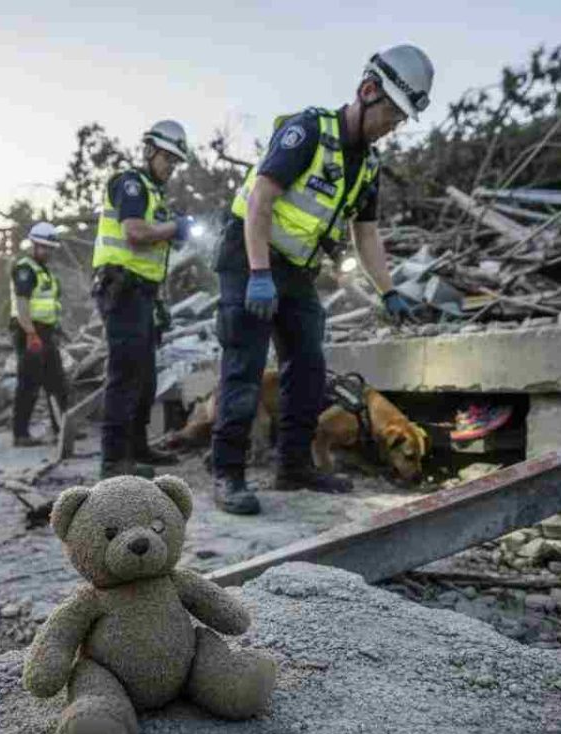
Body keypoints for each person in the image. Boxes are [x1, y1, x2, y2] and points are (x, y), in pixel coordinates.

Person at [210, 44, 435, 515]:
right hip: (247, 253)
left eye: (401, 119)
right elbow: (260, 201)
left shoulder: (368, 166)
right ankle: (227, 473)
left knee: (308, 365)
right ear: (368, 91)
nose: (393, 125)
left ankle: (293, 467)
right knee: (245, 365)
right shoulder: (308, 131)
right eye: (392, 113)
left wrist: (388, 291)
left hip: (295, 269)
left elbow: (366, 234)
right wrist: (257, 274)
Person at [91, 120, 196, 479]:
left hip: (143, 294)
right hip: (121, 289)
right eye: (168, 158)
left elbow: (153, 255)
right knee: (125, 374)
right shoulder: (131, 184)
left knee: (146, 377)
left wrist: (159, 301)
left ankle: (136, 448)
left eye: (176, 161)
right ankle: (113, 461)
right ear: (149, 150)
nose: (172, 166)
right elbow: (134, 233)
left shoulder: (155, 195)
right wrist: (175, 228)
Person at [10, 221, 69, 446]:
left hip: (45, 331)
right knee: (29, 383)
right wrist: (31, 333)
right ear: (34, 245)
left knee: (56, 382)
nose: (48, 252)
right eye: (43, 247)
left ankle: (61, 428)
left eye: (50, 248)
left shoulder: (45, 271)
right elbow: (23, 303)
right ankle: (21, 434)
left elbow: (48, 304)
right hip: (29, 331)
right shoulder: (25, 269)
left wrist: (56, 328)